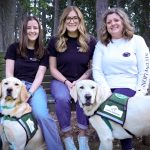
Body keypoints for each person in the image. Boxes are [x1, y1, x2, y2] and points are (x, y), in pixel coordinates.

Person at [92, 7, 150, 150]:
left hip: (130, 86)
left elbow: (145, 69)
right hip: (106, 88)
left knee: (117, 102)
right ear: (106, 25)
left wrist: (140, 92)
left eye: (116, 20)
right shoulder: (101, 45)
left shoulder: (137, 41)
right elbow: (97, 71)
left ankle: (120, 145)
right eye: (109, 22)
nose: (113, 24)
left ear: (123, 22)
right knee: (107, 103)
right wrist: (106, 91)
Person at [5, 16, 64, 150]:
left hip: (34, 88)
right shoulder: (13, 48)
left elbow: (39, 76)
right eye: (29, 28)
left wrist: (29, 93)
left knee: (41, 115)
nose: (32, 30)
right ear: (24, 30)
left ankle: (56, 147)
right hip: (14, 87)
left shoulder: (43, 51)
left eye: (35, 28)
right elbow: (9, 74)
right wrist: (17, 90)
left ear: (39, 30)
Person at [47, 6, 96, 150]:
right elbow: (53, 68)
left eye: (75, 18)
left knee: (84, 95)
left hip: (83, 80)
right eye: (69, 18)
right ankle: (67, 137)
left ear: (80, 20)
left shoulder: (90, 41)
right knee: (62, 98)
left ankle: (83, 137)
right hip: (60, 80)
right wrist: (67, 82)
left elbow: (92, 67)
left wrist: (80, 81)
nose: (72, 21)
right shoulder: (56, 41)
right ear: (64, 21)